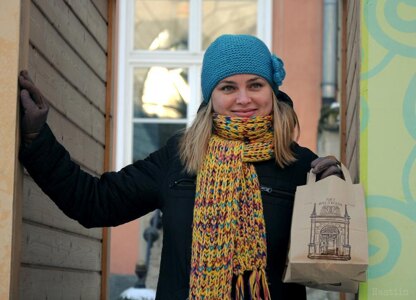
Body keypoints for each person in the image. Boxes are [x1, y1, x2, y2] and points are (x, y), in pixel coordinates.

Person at [18, 34, 342, 300]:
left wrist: (334, 196)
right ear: (211, 97)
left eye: (255, 85)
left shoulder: (300, 166)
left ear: (272, 92)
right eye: (228, 87)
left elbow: (331, 267)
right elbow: (94, 203)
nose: (244, 99)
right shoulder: (180, 158)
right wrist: (37, 138)